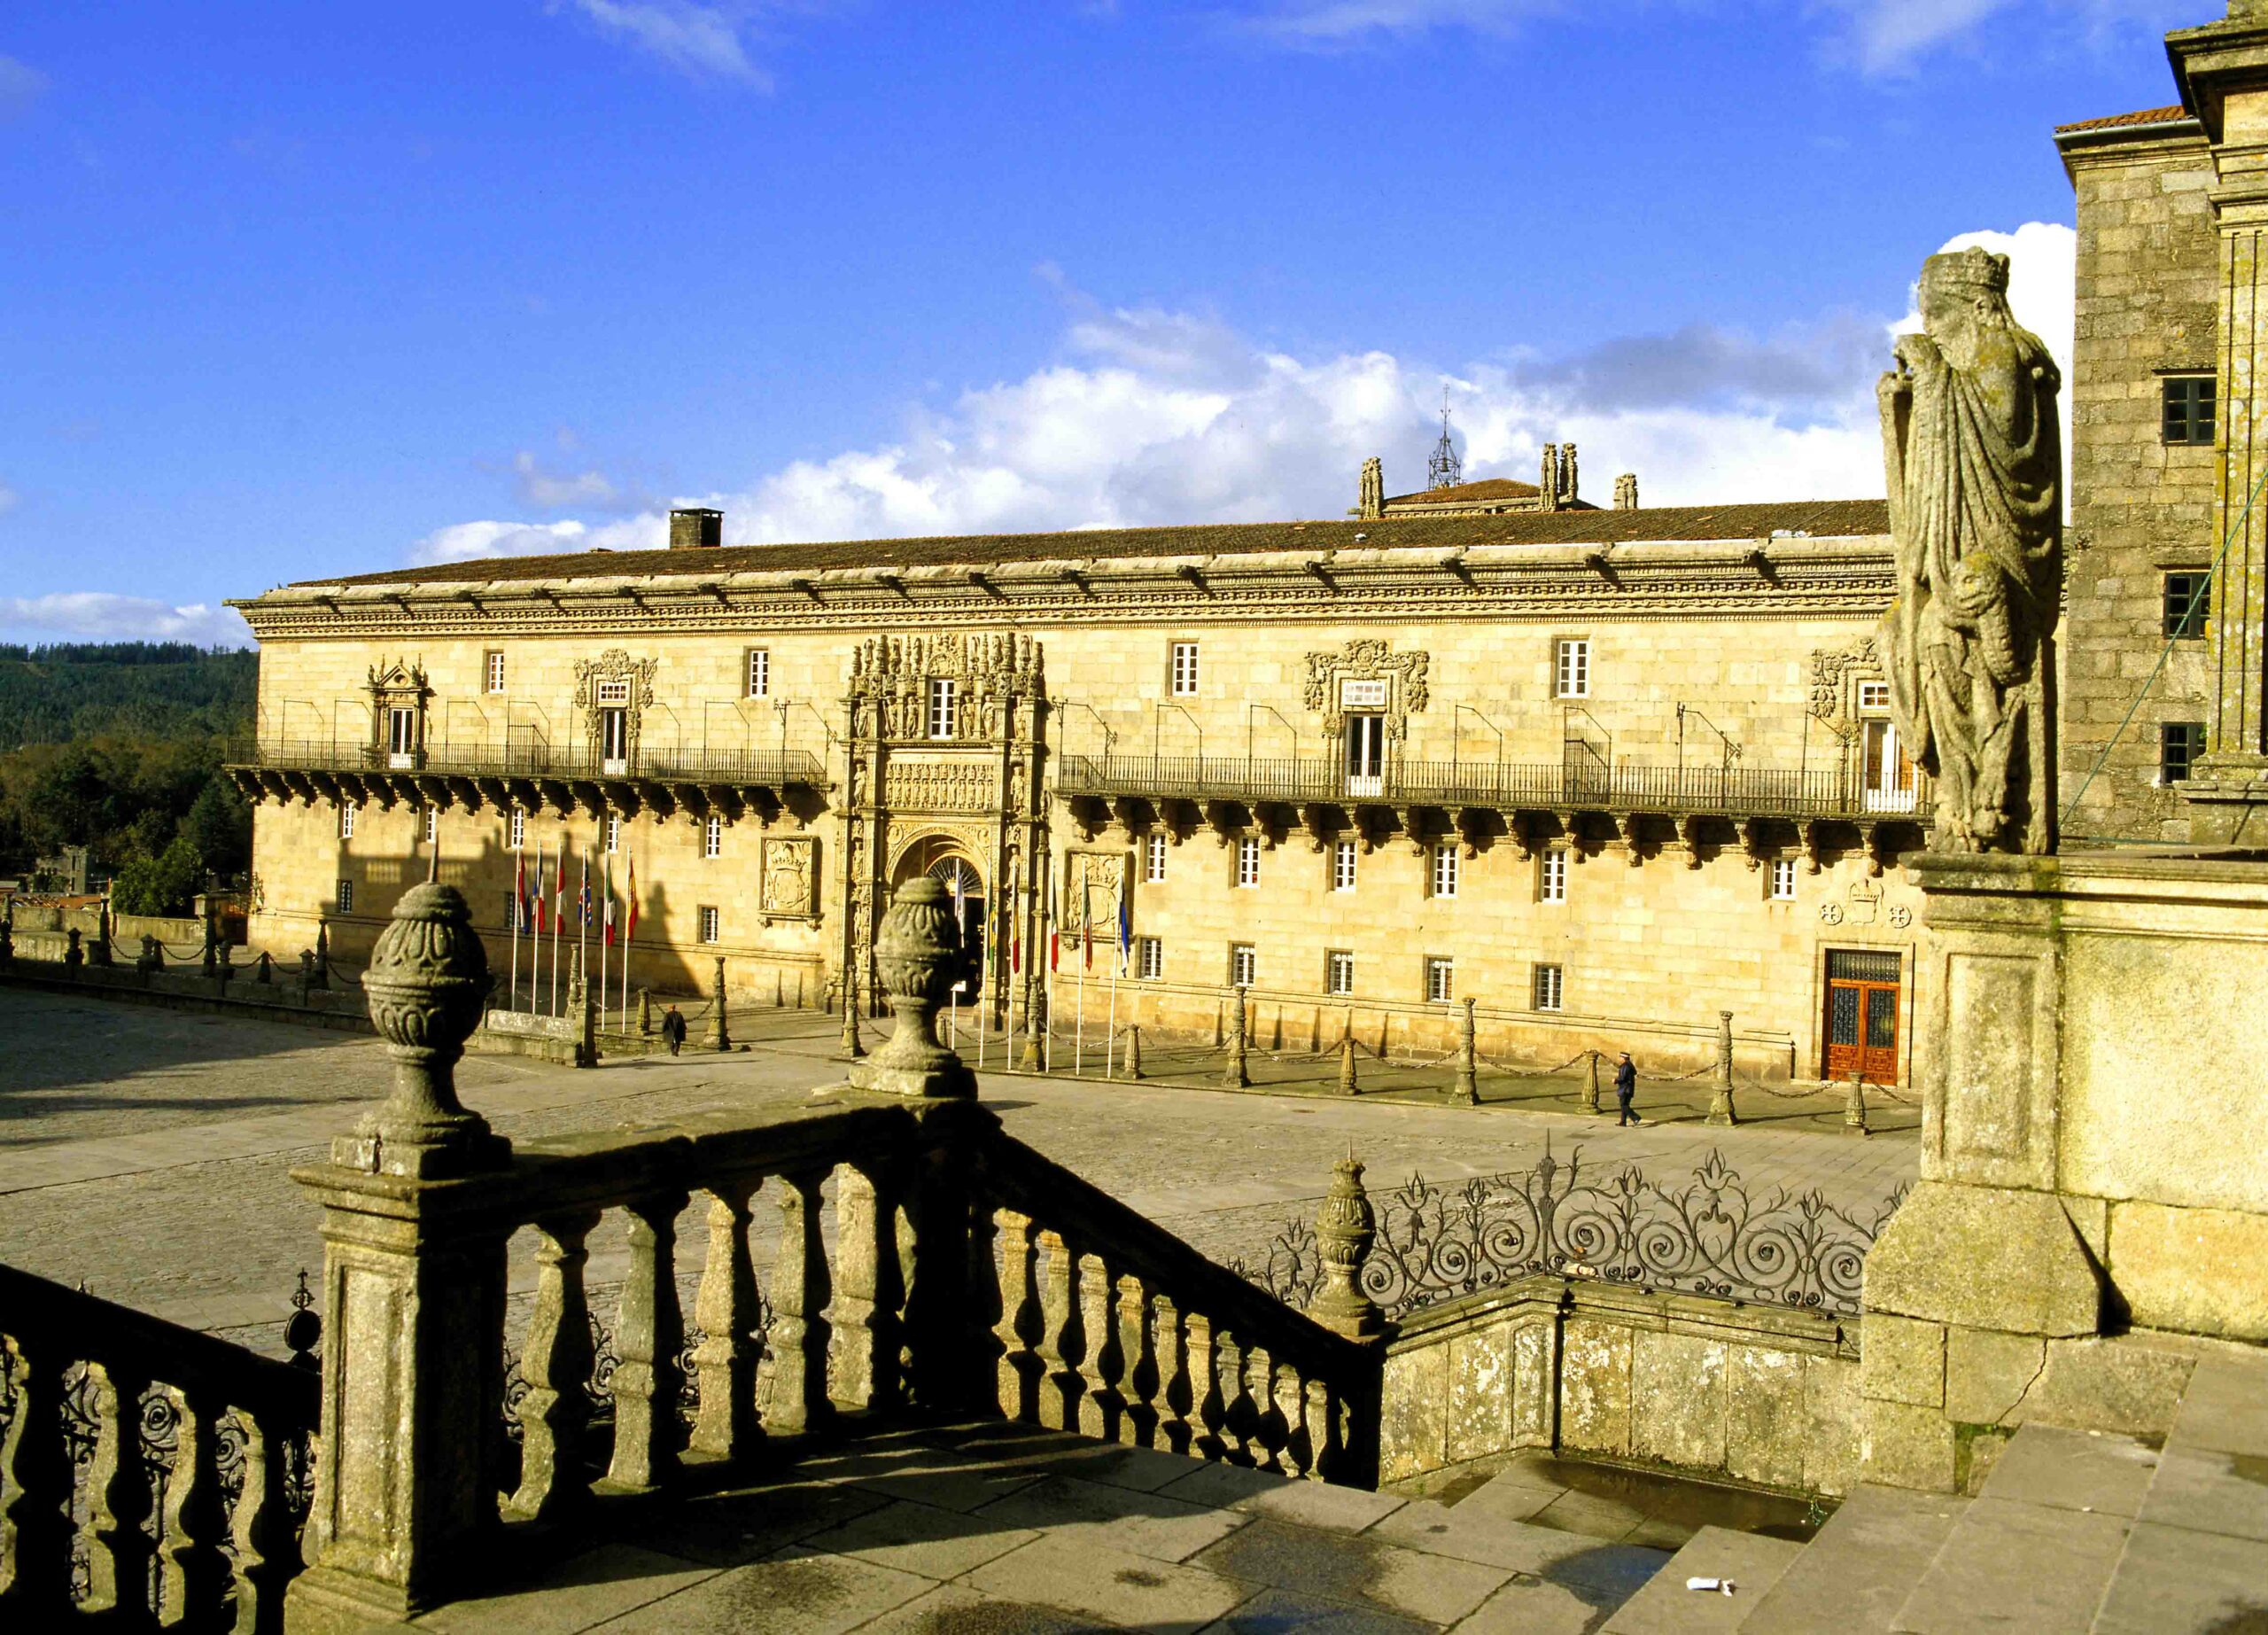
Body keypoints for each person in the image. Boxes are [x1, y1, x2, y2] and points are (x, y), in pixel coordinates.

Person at [1613, 1052, 1640, 1126]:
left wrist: (1616, 1080)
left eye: (1620, 1057)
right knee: (1625, 1105)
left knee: (1623, 1105)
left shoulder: (1625, 1066)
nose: (1619, 1059)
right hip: (1629, 1088)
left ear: (1623, 1058)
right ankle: (1623, 1122)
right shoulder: (1630, 1065)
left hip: (1625, 1089)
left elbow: (1622, 1078)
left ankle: (1635, 1117)